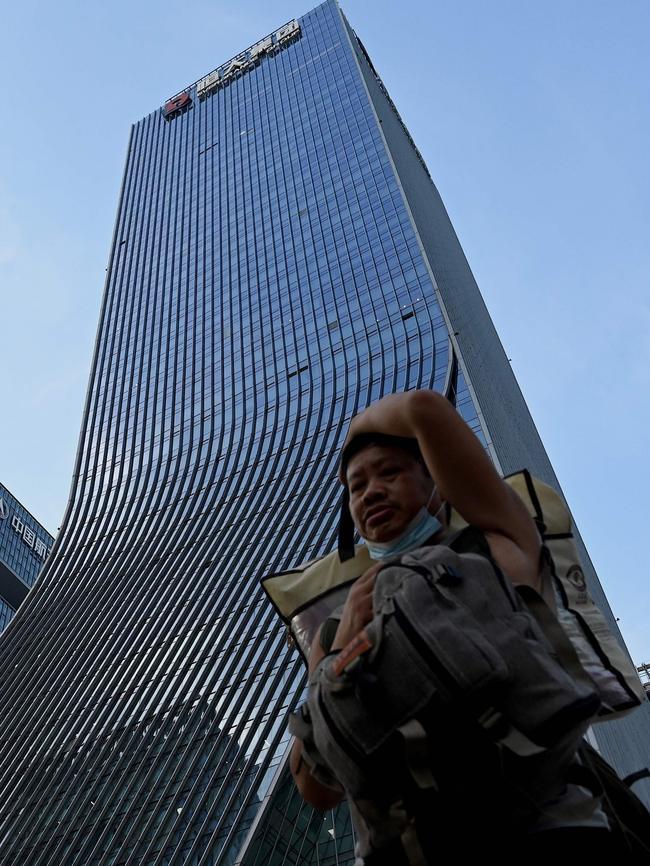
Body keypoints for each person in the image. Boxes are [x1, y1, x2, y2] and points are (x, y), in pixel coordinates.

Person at [290, 389, 617, 859]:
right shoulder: (331, 631)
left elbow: (424, 408)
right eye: (356, 486)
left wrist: (356, 430)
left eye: (390, 472)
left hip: (548, 836)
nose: (372, 492)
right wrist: (341, 648)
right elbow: (317, 788)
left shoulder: (492, 553)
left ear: (436, 489)